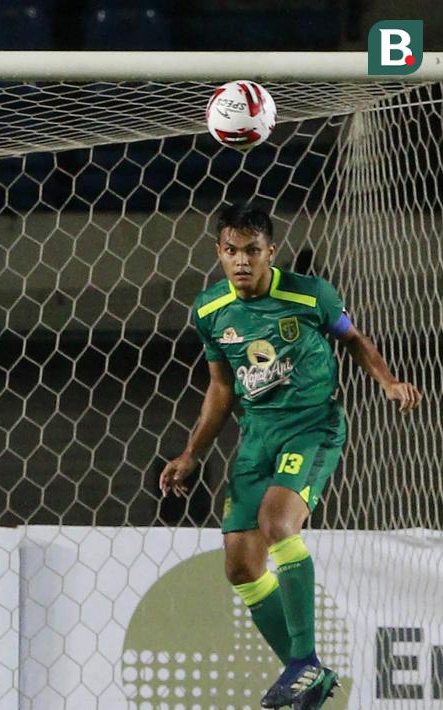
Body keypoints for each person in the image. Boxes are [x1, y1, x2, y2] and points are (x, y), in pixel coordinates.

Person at [159, 203, 422, 710]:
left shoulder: (310, 294)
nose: (241, 261)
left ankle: (304, 660)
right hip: (257, 435)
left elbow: (354, 338)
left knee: (277, 522)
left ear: (270, 252)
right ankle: (309, 674)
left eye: (252, 251)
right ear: (218, 252)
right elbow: (220, 388)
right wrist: (191, 453)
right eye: (231, 251)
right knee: (241, 566)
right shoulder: (210, 310)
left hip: (312, 425)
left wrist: (388, 382)